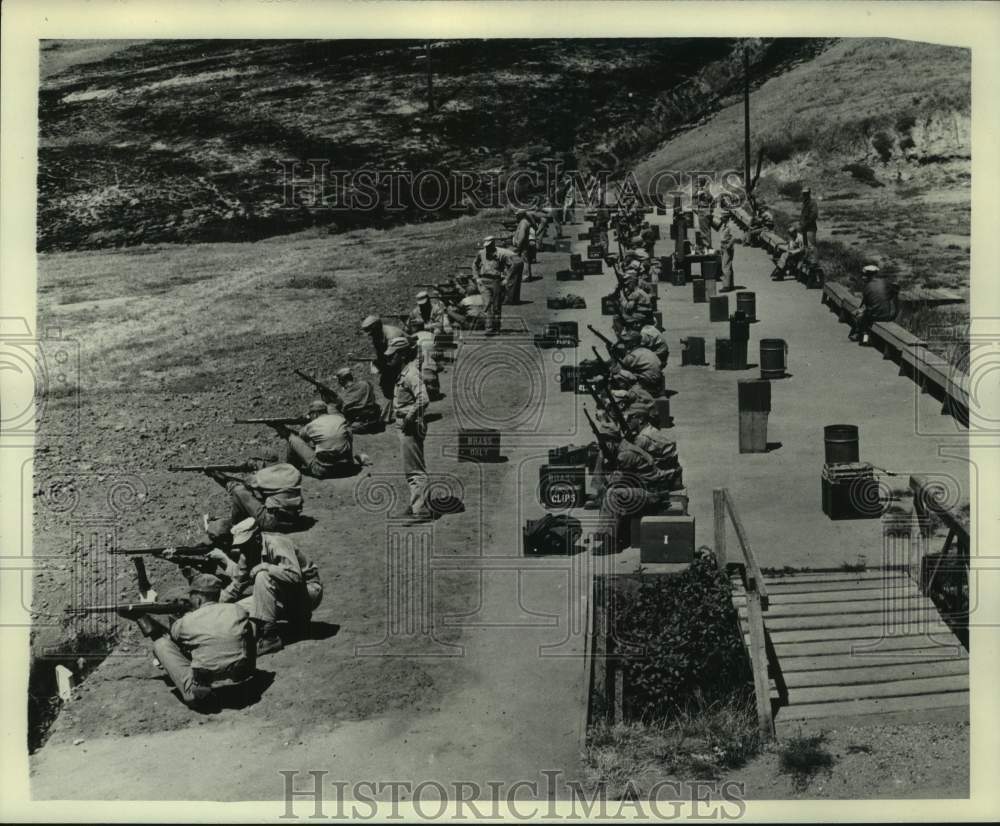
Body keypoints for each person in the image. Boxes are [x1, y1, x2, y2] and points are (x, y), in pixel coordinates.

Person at [117, 573, 255, 708]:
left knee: (161, 644)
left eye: (191, 596)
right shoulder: (237, 610)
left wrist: (141, 617)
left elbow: (170, 638)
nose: (189, 599)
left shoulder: (187, 622)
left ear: (199, 599)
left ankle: (198, 693)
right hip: (243, 682)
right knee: (249, 627)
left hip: (204, 691)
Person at [221, 518, 323, 655]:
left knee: (262, 576)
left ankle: (270, 637)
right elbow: (237, 583)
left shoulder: (277, 543)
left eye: (245, 543)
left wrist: (266, 566)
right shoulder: (246, 552)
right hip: (284, 596)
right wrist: (214, 604)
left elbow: (296, 577)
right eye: (240, 544)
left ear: (257, 537)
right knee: (235, 611)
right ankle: (297, 620)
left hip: (308, 593)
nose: (241, 548)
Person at [385, 336, 432, 523]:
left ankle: (421, 510)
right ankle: (416, 505)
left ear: (402, 355)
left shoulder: (411, 373)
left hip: (410, 425)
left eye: (393, 356)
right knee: (411, 467)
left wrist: (409, 418)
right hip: (406, 424)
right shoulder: (404, 372)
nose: (389, 359)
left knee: (415, 470)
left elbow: (424, 399)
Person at [209, 449, 303, 531]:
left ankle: (235, 525)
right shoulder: (292, 469)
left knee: (238, 490)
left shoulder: (260, 476)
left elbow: (242, 484)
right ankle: (238, 522)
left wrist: (217, 476)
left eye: (255, 461)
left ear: (262, 462)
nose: (254, 464)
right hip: (294, 519)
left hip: (274, 523)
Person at [280, 400, 370, 479]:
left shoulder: (311, 425)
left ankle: (290, 469)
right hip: (347, 467)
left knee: (292, 437)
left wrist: (283, 430)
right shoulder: (340, 419)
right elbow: (349, 437)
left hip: (325, 470)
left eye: (310, 414)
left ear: (315, 414)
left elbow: (300, 439)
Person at [361, 314, 405, 415]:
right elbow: (381, 353)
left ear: (377, 327)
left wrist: (386, 367)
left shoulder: (392, 335)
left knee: (399, 380)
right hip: (393, 358)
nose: (370, 335)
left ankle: (401, 403)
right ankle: (394, 403)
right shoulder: (377, 335)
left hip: (405, 357)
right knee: (385, 383)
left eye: (371, 332)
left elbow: (397, 358)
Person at [472, 236, 516, 335]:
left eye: (489, 246)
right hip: (484, 281)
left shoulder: (501, 254)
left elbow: (511, 265)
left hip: (496, 281)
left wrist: (506, 279)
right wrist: (476, 277)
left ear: (493, 244)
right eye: (486, 246)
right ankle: (489, 328)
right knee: (487, 304)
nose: (487, 248)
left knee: (496, 306)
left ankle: (496, 327)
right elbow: (474, 265)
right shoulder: (481, 254)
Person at [849, 264, 898, 344]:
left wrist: (858, 312)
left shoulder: (867, 286)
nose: (863, 277)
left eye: (864, 275)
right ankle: (862, 336)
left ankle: (863, 338)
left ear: (867, 275)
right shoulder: (884, 282)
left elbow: (864, 305)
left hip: (875, 315)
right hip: (889, 315)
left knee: (862, 317)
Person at [329, 366, 382, 433]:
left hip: (361, 423)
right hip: (374, 420)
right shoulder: (365, 384)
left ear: (342, 380)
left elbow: (343, 407)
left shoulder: (346, 394)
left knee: (332, 409)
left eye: (339, 380)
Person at [713, 204, 737, 292]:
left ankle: (726, 286)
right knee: (728, 266)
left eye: (722, 217)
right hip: (723, 245)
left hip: (727, 246)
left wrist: (729, 245)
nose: (721, 219)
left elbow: (734, 237)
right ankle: (731, 284)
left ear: (726, 217)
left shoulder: (730, 226)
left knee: (725, 266)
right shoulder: (725, 225)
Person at [511, 210, 536, 281]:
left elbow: (522, 236)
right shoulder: (523, 222)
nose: (516, 216)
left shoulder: (523, 223)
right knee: (524, 259)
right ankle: (525, 275)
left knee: (524, 260)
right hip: (523, 244)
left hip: (522, 244)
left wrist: (518, 245)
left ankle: (526, 276)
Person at [800, 188, 819, 262]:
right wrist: (801, 224)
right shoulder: (804, 203)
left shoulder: (812, 203)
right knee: (805, 246)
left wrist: (805, 223)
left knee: (812, 246)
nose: (805, 195)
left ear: (809, 193)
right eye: (804, 193)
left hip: (810, 228)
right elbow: (803, 215)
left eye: (806, 193)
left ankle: (815, 262)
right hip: (804, 228)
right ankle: (808, 261)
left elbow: (814, 215)